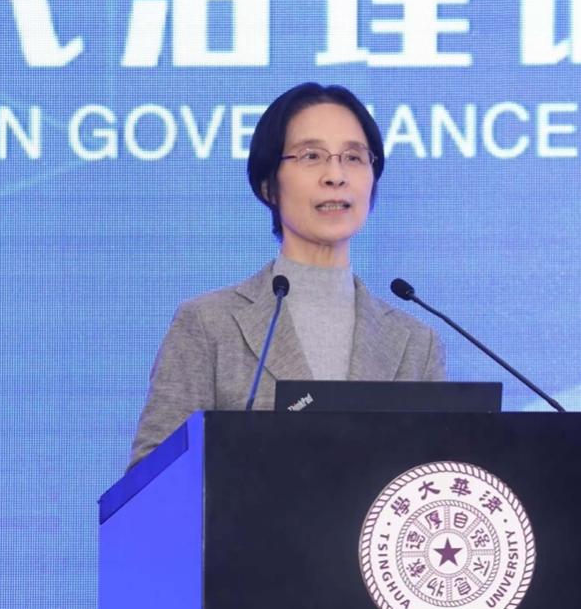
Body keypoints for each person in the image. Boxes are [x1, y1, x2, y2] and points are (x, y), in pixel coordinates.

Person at [127, 82, 446, 469]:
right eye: (312, 156)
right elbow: (152, 477)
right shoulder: (208, 326)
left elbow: (438, 478)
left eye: (353, 157)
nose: (335, 175)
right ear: (269, 186)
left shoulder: (416, 344)